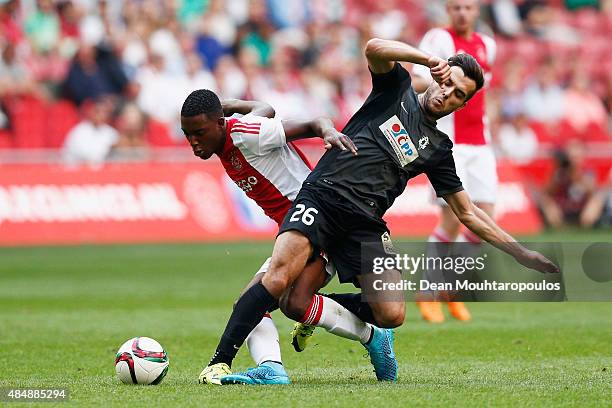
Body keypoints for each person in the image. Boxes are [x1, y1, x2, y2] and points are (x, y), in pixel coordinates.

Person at [200, 37, 559, 385]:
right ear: (439, 75)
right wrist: (425, 58)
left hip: (366, 223)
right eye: (448, 83)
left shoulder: (437, 149)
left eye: (459, 95)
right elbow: (374, 48)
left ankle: (328, 314)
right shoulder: (396, 89)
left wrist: (522, 252)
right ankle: (219, 363)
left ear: (462, 105)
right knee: (279, 280)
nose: (448, 94)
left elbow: (468, 213)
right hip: (321, 199)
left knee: (392, 314)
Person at [181, 90, 398, 385]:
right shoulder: (231, 137)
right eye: (187, 134)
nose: (193, 142)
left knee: (259, 302)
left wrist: (328, 131)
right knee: (286, 304)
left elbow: (313, 122)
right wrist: (229, 105)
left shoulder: (246, 134)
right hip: (299, 231)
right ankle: (276, 367)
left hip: (317, 219)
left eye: (199, 133)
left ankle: (224, 363)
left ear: (219, 123)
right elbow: (265, 109)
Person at [411, 0, 497, 322]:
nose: (463, 12)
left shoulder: (488, 45)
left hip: (482, 144)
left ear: (477, 11)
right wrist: (442, 85)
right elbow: (417, 80)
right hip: (451, 143)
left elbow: (485, 92)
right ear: (449, 9)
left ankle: (447, 286)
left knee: (485, 221)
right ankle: (428, 291)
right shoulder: (438, 40)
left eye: (469, 7)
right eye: (457, 7)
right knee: (452, 220)